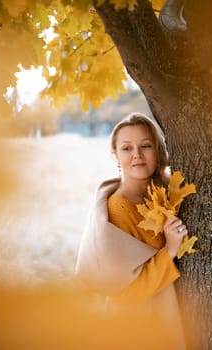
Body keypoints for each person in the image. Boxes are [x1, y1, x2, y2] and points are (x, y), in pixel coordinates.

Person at [75, 112, 188, 349]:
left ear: (158, 151)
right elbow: (126, 295)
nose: (137, 154)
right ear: (115, 155)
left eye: (146, 146)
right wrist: (169, 250)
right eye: (127, 148)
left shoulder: (170, 192)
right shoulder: (118, 208)